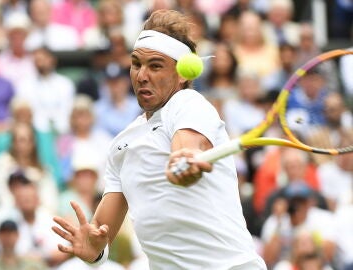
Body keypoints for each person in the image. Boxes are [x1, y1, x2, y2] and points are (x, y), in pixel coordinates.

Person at [52, 9, 267, 269]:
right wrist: (95, 250)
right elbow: (101, 230)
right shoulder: (122, 144)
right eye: (136, 64)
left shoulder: (189, 104)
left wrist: (183, 161)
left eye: (155, 65)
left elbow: (186, 146)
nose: (141, 75)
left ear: (182, 73)